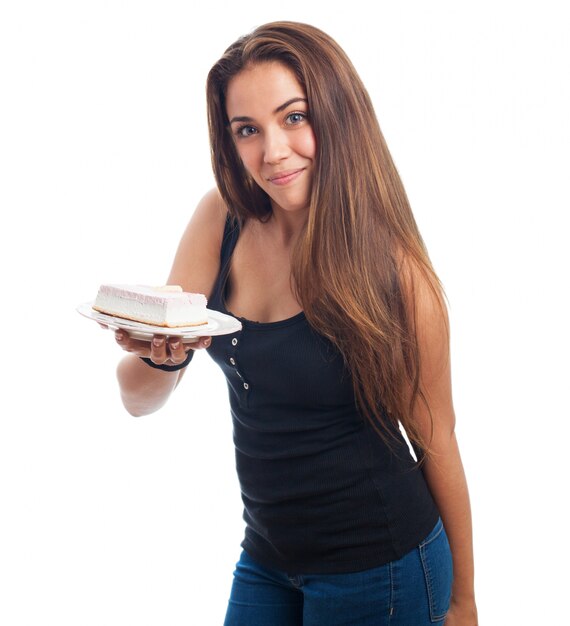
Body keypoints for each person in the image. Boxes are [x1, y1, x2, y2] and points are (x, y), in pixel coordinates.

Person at [111, 21, 478, 626]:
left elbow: (438, 441)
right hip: (267, 557)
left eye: (295, 117)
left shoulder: (397, 274)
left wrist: (464, 603)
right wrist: (163, 356)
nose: (273, 151)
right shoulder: (221, 219)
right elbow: (136, 399)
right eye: (247, 130)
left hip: (379, 568)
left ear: (337, 115)